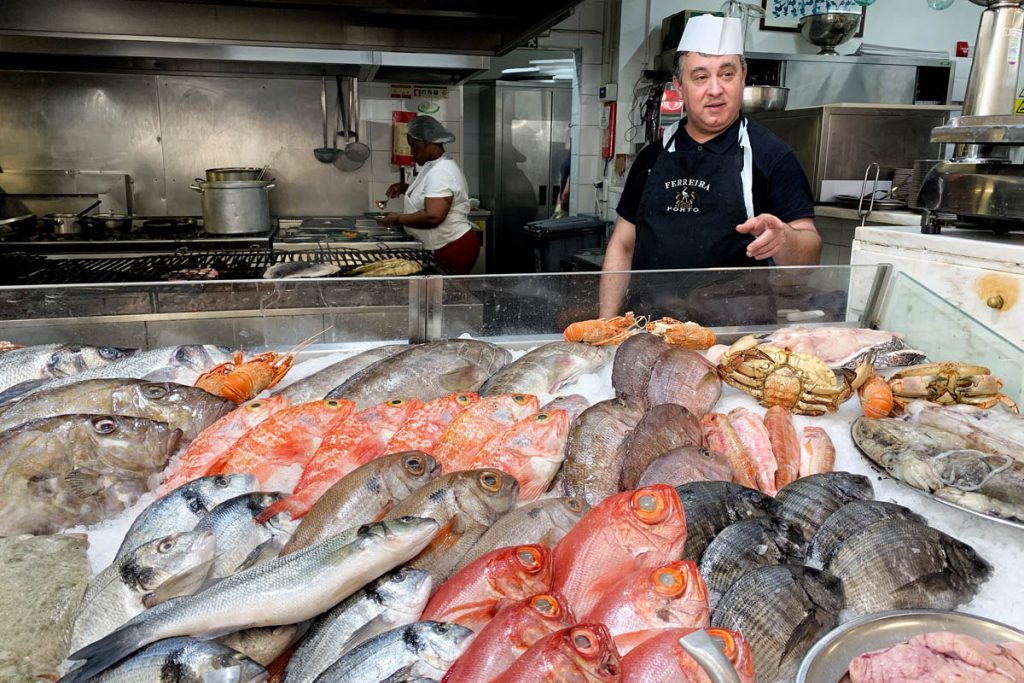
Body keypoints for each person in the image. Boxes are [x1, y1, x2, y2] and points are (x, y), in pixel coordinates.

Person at [599, 14, 821, 319]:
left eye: (727, 74)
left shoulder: (773, 157)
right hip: (649, 329)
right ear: (678, 85)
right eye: (700, 77)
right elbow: (622, 247)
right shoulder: (651, 158)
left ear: (743, 75)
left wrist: (786, 238)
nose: (715, 89)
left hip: (731, 342)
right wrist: (606, 323)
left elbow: (807, 260)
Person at [378, 114, 480, 275]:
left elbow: (433, 216)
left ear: (426, 141)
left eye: (413, 145)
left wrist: (397, 219)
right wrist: (405, 188)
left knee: (448, 295)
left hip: (452, 247)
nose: (411, 152)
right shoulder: (434, 165)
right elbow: (430, 192)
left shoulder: (442, 171)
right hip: (445, 244)